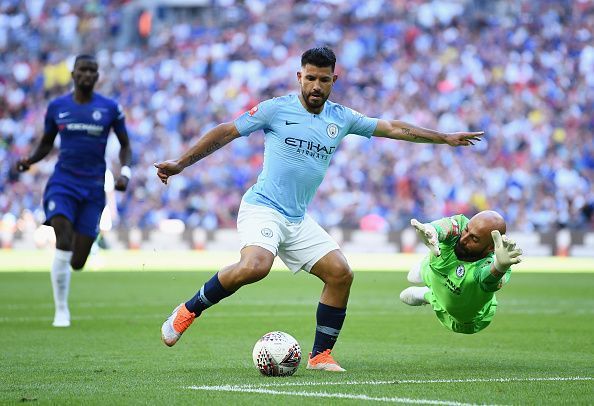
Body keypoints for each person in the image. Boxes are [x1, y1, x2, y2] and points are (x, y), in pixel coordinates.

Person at [154, 47, 482, 371]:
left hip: (297, 219)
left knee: (341, 274)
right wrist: (181, 163)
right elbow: (227, 130)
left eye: (323, 80)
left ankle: (320, 356)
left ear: (333, 80)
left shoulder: (341, 118)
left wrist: (444, 137)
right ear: (299, 77)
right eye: (310, 78)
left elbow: (395, 128)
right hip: (263, 207)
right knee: (256, 265)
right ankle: (187, 311)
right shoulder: (275, 109)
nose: (316, 86)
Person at [16, 54, 132, 327]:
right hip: (63, 182)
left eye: (92, 71)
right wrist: (30, 160)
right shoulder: (58, 106)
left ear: (97, 76)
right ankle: (61, 311)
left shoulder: (110, 108)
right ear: (73, 74)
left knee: (78, 260)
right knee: (62, 235)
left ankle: (69, 267)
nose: (87, 75)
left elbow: (126, 145)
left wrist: (124, 173)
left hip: (93, 187)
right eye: (83, 70)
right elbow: (46, 143)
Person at [400, 211, 523, 334]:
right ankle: (425, 269)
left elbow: (488, 280)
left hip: (461, 314)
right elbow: (446, 226)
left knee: (454, 288)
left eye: (474, 239)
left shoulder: (490, 265)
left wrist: (500, 267)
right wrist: (432, 229)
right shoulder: (461, 224)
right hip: (441, 270)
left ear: (491, 248)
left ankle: (427, 295)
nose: (464, 239)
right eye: (466, 230)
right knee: (440, 249)